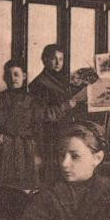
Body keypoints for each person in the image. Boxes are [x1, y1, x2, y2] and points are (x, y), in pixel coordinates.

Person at [0, 59, 75, 188]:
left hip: (26, 148)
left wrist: (65, 106)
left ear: (24, 76)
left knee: (27, 183)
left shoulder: (32, 100)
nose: (13, 78)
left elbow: (47, 115)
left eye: (16, 74)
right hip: (5, 146)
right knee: (5, 184)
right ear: (4, 78)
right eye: (9, 75)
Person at [28, 44, 76, 185]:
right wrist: (65, 106)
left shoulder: (62, 81)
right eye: (54, 59)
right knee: (52, 174)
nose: (58, 63)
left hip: (63, 132)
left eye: (61, 59)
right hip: (48, 136)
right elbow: (42, 114)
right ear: (44, 60)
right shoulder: (38, 84)